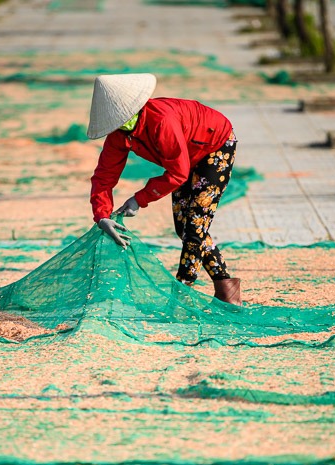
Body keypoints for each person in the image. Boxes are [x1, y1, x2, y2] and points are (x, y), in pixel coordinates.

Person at [87, 73, 240, 305]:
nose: (120, 125)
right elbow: (104, 177)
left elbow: (178, 173)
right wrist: (102, 216)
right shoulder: (120, 135)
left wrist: (139, 199)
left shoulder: (161, 121)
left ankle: (180, 297)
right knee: (184, 228)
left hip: (215, 146)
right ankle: (227, 290)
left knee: (195, 227)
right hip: (182, 158)